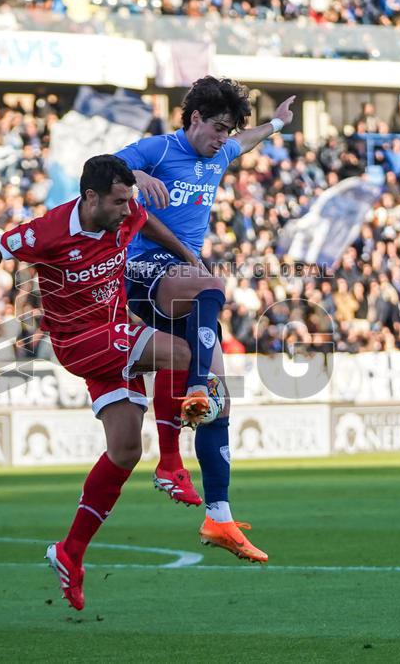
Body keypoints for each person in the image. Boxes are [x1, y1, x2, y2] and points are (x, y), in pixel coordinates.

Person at [0, 155, 248, 612]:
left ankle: (70, 552)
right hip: (80, 340)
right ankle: (173, 457)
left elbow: (147, 221)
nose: (125, 209)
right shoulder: (49, 230)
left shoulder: (125, 212)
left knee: (124, 450)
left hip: (113, 336)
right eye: (118, 200)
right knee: (182, 353)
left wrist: (187, 255)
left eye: (127, 200)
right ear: (90, 197)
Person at [115, 77, 294, 562]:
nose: (222, 138)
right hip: (140, 270)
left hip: (180, 281)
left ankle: (219, 516)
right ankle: (192, 392)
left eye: (227, 130)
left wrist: (276, 123)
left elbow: (246, 141)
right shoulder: (158, 148)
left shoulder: (219, 152)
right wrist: (135, 181)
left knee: (221, 400)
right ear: (194, 119)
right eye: (217, 128)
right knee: (213, 284)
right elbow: (101, 171)